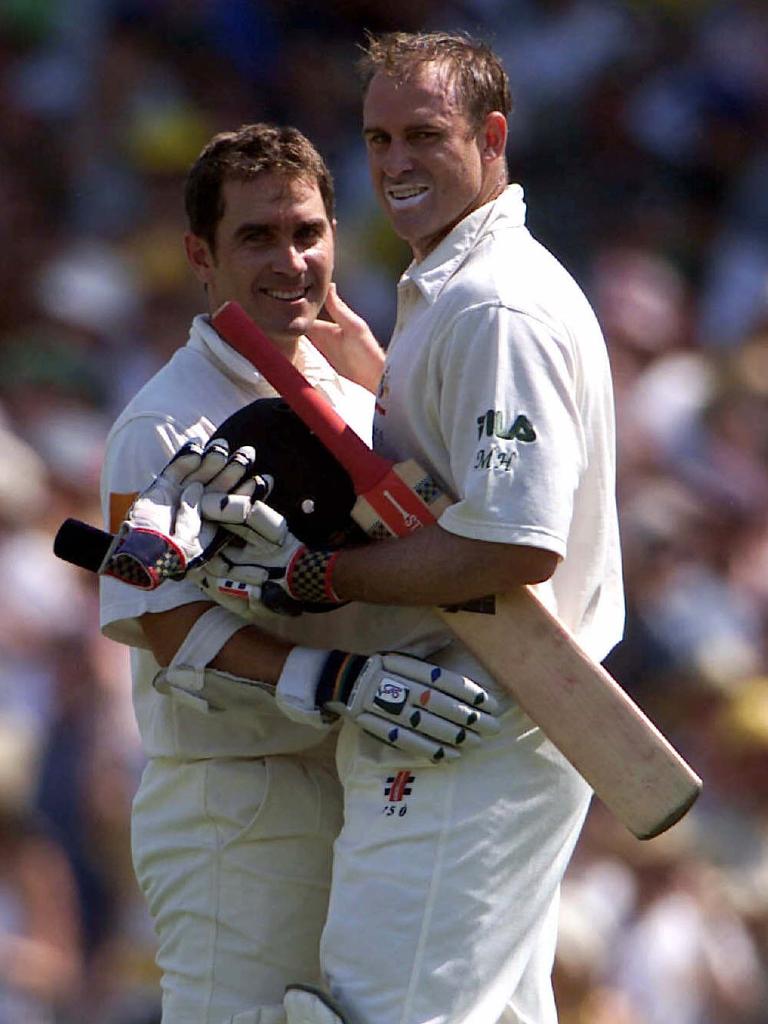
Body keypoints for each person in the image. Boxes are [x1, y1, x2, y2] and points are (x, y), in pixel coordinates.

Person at [179, 30, 624, 1024]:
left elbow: (514, 542)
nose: (394, 164)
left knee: (381, 1014)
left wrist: (320, 578)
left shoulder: (495, 302)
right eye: (378, 139)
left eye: (424, 133)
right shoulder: (457, 287)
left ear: (493, 134)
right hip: (475, 710)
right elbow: (465, 485)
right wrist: (384, 384)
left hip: (471, 717)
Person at [98, 123, 501, 1024]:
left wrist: (380, 374)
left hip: (361, 784)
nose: (290, 260)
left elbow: (433, 534)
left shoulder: (350, 386)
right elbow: (164, 626)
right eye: (256, 237)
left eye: (306, 232)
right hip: (234, 805)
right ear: (200, 255)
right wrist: (346, 682)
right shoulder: (159, 422)